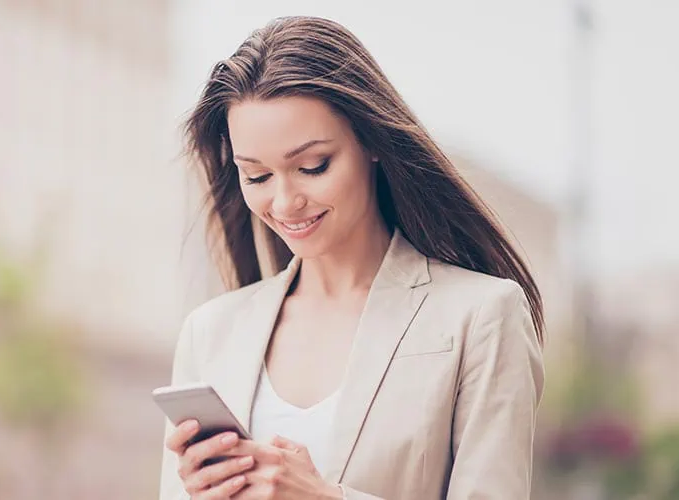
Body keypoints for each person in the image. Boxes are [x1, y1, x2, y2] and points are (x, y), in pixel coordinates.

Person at [160, 15, 545, 500]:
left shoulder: (481, 316)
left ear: (370, 143)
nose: (284, 203)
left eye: (312, 166)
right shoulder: (210, 332)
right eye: (256, 176)